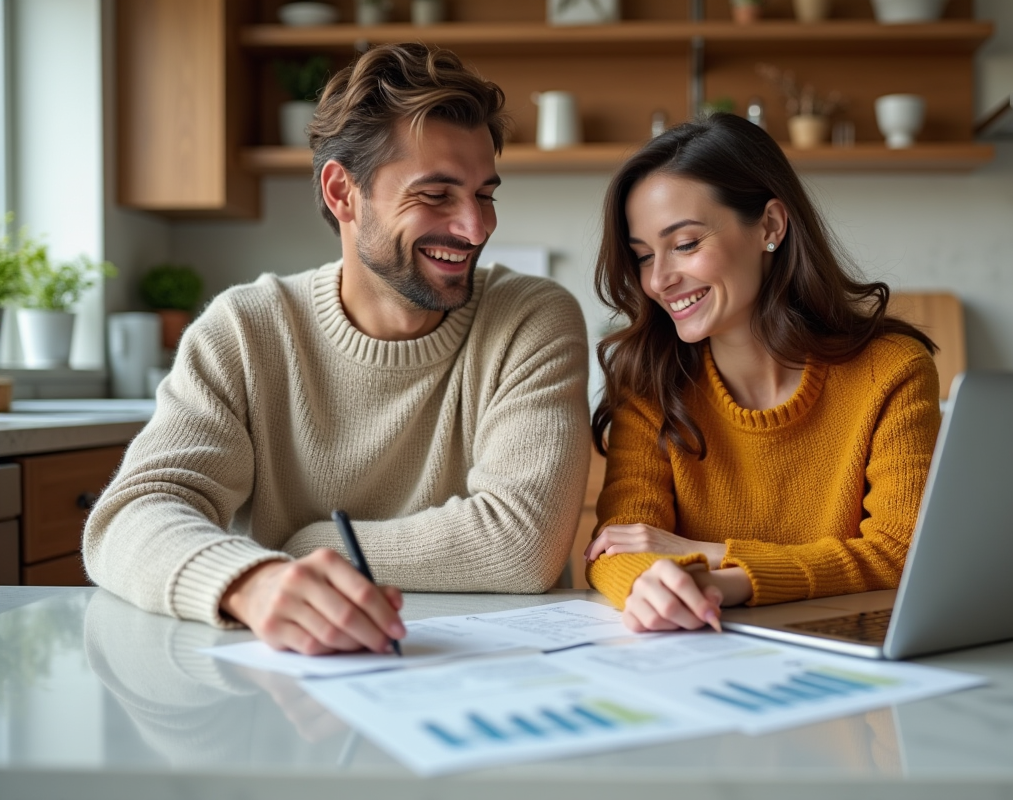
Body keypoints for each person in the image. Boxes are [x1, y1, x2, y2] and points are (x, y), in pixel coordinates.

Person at [84, 44, 591, 655]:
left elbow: (522, 546)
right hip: (302, 680)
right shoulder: (244, 331)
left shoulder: (531, 318)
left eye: (485, 194)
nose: (476, 227)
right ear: (342, 193)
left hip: (497, 673)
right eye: (436, 195)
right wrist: (252, 580)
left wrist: (302, 548)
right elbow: (132, 515)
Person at [583, 113, 941, 633]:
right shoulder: (648, 381)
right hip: (694, 662)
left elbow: (900, 553)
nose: (658, 280)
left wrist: (716, 565)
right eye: (642, 256)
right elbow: (617, 547)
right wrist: (654, 584)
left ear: (770, 226)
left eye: (684, 244)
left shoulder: (891, 371)